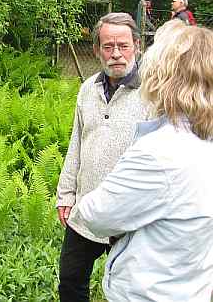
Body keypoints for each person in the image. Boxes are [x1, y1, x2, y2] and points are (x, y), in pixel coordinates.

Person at [76, 22, 213, 302]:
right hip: (190, 285)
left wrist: (89, 200)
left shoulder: (160, 153)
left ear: (161, 77)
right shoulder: (203, 142)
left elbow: (96, 214)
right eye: (108, 46)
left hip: (148, 291)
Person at [56, 12, 149, 302]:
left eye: (123, 45)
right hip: (86, 210)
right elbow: (76, 145)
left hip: (131, 217)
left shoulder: (153, 94)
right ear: (97, 50)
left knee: (128, 291)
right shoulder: (88, 89)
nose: (116, 54)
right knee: (70, 280)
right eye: (108, 46)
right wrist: (66, 194)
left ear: (136, 46)